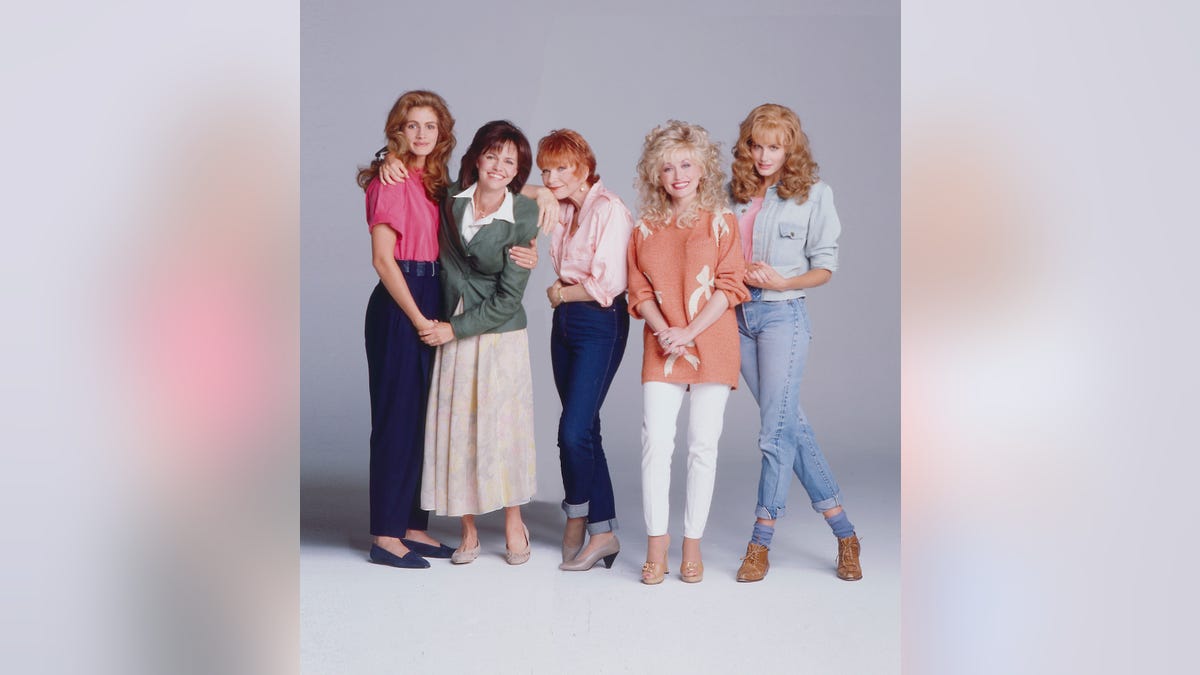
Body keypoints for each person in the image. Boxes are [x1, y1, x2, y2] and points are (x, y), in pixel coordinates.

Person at [728, 103, 862, 583]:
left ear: (791, 149)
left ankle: (760, 541)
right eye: (757, 145)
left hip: (783, 315)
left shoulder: (814, 195)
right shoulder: (734, 194)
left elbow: (826, 267)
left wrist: (782, 283)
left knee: (774, 433)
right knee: (790, 427)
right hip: (736, 318)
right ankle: (845, 533)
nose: (765, 156)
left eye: (775, 147)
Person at [626, 120, 750, 584]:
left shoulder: (722, 223)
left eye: (685, 164)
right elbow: (637, 292)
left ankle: (691, 544)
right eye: (667, 167)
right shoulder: (644, 228)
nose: (677, 174)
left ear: (702, 168)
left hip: (713, 344)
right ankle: (657, 544)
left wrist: (690, 331)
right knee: (655, 444)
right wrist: (666, 333)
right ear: (654, 175)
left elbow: (730, 284)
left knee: (703, 446)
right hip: (663, 346)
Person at [418, 120, 542, 565]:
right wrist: (386, 161)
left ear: (518, 171)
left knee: (503, 428)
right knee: (458, 426)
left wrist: (455, 328)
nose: (498, 166)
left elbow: (510, 297)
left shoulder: (525, 213)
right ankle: (466, 528)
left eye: (509, 161)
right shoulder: (449, 198)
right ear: (476, 157)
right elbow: (411, 169)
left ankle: (513, 521)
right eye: (491, 155)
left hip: (499, 333)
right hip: (449, 319)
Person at [356, 90, 458, 569]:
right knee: (397, 419)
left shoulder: (432, 180)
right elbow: (382, 259)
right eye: (412, 125)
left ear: (442, 134)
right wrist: (419, 319)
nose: (421, 134)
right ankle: (385, 534)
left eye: (430, 126)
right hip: (402, 304)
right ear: (398, 128)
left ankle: (414, 524)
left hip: (431, 295)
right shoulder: (389, 180)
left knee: (425, 418)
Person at [535, 129, 635, 572]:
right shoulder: (561, 207)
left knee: (572, 431)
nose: (551, 177)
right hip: (565, 324)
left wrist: (560, 294)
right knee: (586, 428)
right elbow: (503, 184)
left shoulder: (608, 208)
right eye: (545, 169)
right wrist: (540, 188)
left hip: (599, 321)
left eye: (561, 169)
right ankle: (603, 530)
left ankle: (578, 517)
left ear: (584, 169)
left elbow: (608, 284)